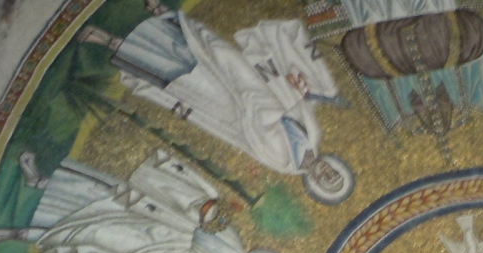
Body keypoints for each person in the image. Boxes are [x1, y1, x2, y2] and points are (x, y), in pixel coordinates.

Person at [75, 3, 353, 204]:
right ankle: (163, 12)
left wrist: (267, 109)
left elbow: (253, 136)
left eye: (326, 179)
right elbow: (298, 106)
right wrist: (299, 91)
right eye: (333, 173)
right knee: (217, 50)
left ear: (315, 183)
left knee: (187, 75)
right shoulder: (314, 137)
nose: (325, 172)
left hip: (228, 108)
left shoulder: (283, 163)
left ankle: (110, 41)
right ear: (334, 165)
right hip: (258, 90)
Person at [0, 150, 289, 253]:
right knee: (99, 194)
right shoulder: (236, 240)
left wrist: (188, 222)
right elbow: (210, 215)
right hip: (156, 214)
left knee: (91, 232)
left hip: (147, 241)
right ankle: (39, 181)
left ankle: (21, 234)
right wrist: (199, 210)